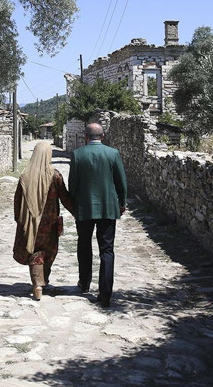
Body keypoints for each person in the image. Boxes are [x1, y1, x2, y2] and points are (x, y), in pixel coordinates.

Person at [68, 123, 127, 308]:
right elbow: (121, 182)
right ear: (103, 136)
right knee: (107, 250)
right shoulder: (113, 154)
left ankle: (84, 283)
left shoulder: (78, 154)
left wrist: (74, 204)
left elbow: (73, 184)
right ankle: (105, 293)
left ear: (86, 136)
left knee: (84, 245)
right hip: (108, 208)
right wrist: (122, 203)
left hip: (84, 208)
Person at [13, 141, 74, 300]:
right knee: (48, 252)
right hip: (50, 224)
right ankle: (40, 282)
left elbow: (18, 200)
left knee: (35, 252)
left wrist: (19, 219)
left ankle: (39, 283)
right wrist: (77, 212)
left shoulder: (25, 175)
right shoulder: (55, 176)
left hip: (31, 222)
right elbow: (65, 198)